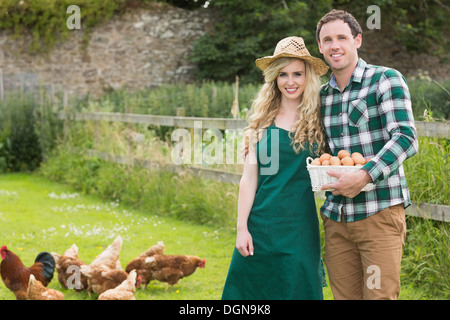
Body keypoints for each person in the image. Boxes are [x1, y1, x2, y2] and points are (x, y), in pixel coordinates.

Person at [316, 9, 419, 300]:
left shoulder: (384, 79)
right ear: (320, 48)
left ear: (357, 40)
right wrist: (259, 142)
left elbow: (406, 138)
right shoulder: (322, 95)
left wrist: (364, 175)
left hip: (379, 211)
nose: (335, 45)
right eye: (327, 40)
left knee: (378, 297)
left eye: (341, 37)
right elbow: (314, 147)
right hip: (337, 217)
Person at [221, 36, 329, 300]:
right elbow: (248, 180)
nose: (290, 81)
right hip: (261, 224)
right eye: (283, 74)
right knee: (252, 292)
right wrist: (242, 228)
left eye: (297, 74)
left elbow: (333, 163)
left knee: (297, 287)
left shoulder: (321, 118)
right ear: (274, 78)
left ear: (308, 78)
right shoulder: (261, 122)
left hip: (300, 226)